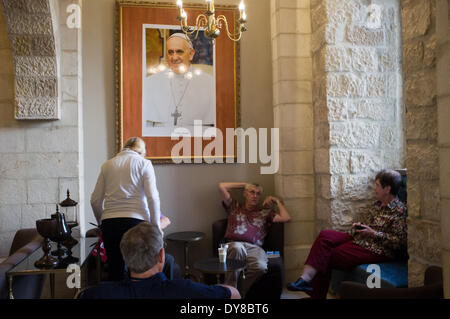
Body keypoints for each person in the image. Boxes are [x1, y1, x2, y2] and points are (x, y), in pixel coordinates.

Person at [287, 169, 407, 299]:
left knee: (329, 254)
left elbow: (398, 242)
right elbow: (368, 224)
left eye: (377, 185)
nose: (374, 188)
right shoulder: (377, 204)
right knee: (325, 235)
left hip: (377, 249)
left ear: (387, 189)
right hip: (359, 238)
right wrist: (359, 226)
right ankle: (305, 279)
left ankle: (314, 293)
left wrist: (373, 233)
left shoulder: (399, 211)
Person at [77, 222, 240, 299]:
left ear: (125, 256)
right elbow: (234, 294)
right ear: (161, 256)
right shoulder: (186, 289)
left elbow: (80, 294)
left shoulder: (99, 293)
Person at [90, 137, 174, 281]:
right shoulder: (144, 164)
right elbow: (152, 198)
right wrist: (155, 227)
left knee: (115, 273)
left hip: (110, 223)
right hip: (136, 223)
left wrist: (101, 223)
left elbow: (95, 201)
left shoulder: (107, 165)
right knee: (140, 270)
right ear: (141, 152)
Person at [218, 182, 291, 296]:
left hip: (255, 248)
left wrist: (276, 201)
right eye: (252, 192)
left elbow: (286, 218)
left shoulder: (265, 212)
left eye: (258, 193)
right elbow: (221, 186)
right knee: (237, 248)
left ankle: (237, 294)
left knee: (261, 267)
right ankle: (230, 292)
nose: (255, 196)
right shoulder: (234, 206)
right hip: (234, 244)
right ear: (245, 194)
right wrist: (245, 184)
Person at [142, 32, 215, 136]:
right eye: (170, 52)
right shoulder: (151, 82)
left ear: (191, 54)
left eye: (179, 52)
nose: (174, 57)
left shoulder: (209, 82)